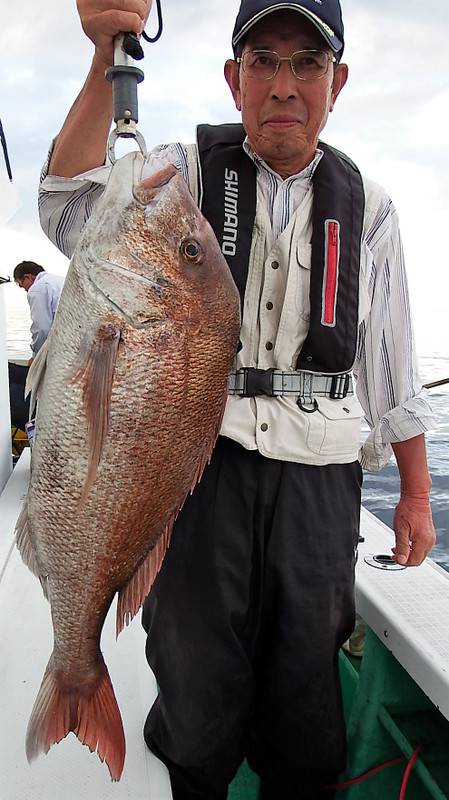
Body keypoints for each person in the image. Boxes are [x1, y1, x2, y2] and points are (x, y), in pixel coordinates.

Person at [38, 1, 438, 797]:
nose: (284, 84)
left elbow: (392, 365)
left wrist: (417, 492)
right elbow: (68, 205)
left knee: (303, 684)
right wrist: (100, 57)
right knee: (195, 680)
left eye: (306, 64)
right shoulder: (177, 176)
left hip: (319, 479)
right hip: (194, 465)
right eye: (263, 62)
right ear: (234, 79)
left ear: (337, 82)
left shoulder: (372, 208)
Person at [13, 261, 64, 358]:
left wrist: (36, 356)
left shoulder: (37, 289)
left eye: (20, 283)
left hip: (61, 350)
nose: (21, 287)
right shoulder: (60, 280)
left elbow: (42, 328)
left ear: (28, 277)